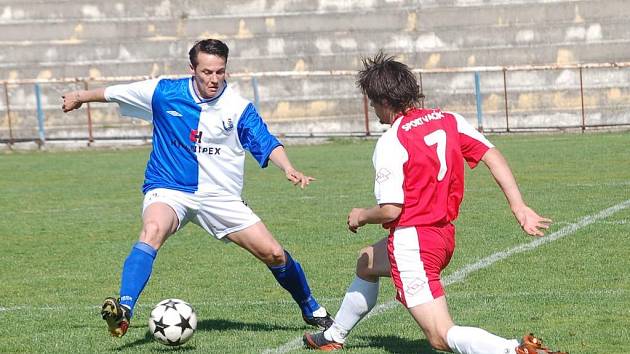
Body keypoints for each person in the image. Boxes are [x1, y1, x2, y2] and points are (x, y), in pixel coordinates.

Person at [61, 38, 333, 338]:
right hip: (169, 187)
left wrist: (289, 167)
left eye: (220, 72)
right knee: (152, 230)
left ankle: (311, 308)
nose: (214, 79)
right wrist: (80, 96)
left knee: (274, 254)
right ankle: (124, 309)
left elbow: (265, 141)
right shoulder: (164, 92)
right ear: (192, 69)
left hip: (219, 196)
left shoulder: (238, 108)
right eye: (206, 72)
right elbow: (114, 93)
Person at [303, 52, 567, 354]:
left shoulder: (392, 141)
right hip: (441, 236)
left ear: (385, 101)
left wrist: (360, 216)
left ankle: (514, 350)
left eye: (373, 102)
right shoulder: (449, 120)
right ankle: (334, 336)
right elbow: (491, 155)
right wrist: (519, 207)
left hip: (413, 241)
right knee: (367, 261)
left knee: (441, 336)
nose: (373, 109)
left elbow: (391, 209)